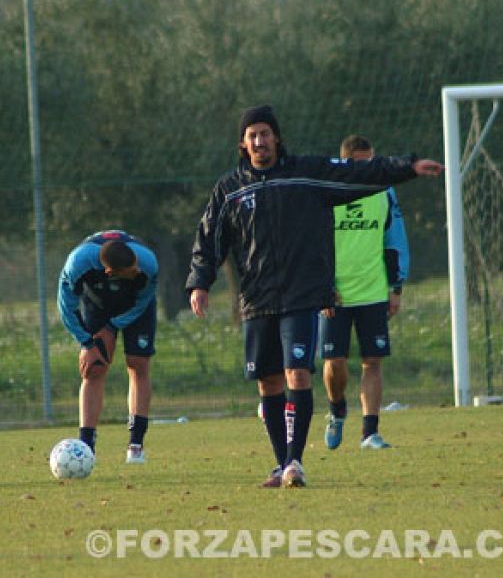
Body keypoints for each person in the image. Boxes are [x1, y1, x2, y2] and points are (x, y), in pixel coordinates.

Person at [186, 105, 443, 488]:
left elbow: (357, 173)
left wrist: (405, 168)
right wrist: (199, 282)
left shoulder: (304, 174)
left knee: (298, 373)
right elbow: (210, 239)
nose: (260, 141)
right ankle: (280, 463)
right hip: (257, 297)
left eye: (266, 133)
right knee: (269, 383)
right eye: (252, 135)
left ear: (277, 138)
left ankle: (295, 462)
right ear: (243, 143)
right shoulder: (230, 189)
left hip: (301, 294)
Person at [321, 135, 409, 451]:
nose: (369, 169)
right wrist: (323, 288)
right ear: (345, 164)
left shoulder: (385, 192)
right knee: (335, 363)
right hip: (335, 296)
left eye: (372, 162)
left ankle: (369, 432)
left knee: (372, 361)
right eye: (362, 164)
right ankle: (336, 409)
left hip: (373, 292)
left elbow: (394, 239)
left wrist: (395, 287)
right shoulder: (327, 193)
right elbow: (313, 245)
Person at [57, 230, 158, 464]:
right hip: (96, 303)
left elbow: (143, 301)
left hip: (135, 306)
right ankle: (86, 446)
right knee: (94, 368)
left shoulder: (148, 263)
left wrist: (112, 327)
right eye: (131, 271)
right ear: (110, 272)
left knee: (138, 364)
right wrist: (88, 342)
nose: (137, 271)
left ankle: (136, 444)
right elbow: (66, 308)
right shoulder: (78, 265)